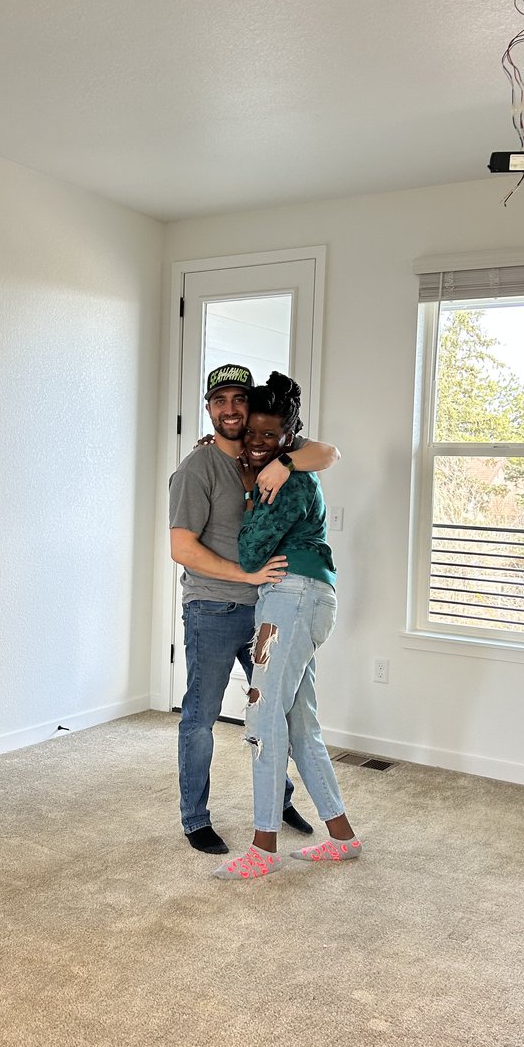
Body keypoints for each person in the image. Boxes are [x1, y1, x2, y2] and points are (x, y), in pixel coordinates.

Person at [169, 364, 341, 854]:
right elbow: (181, 548)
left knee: (281, 710)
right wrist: (245, 575)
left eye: (236, 400)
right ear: (208, 408)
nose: (229, 409)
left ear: (249, 409)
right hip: (215, 607)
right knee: (201, 715)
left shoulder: (270, 456)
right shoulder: (198, 467)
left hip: (272, 607)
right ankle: (195, 817)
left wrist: (287, 464)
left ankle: (279, 799)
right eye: (218, 400)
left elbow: (330, 452)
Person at [212, 372, 361, 882]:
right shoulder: (287, 469)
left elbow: (251, 552)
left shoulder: (289, 480)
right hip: (304, 599)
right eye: (250, 432)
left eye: (268, 436)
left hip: (290, 600)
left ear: (288, 438)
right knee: (300, 723)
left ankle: (263, 847)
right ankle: (342, 837)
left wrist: (254, 490)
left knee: (261, 716)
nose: (256, 443)